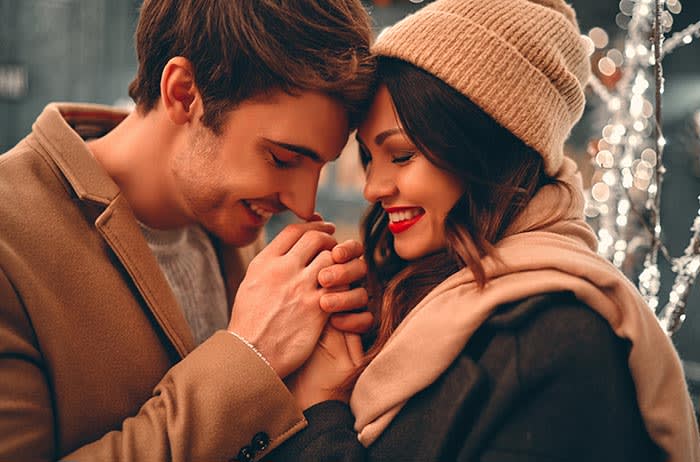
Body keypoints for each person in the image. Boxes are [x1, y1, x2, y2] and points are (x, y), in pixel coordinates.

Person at [270, 0, 700, 461]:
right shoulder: (406, 291)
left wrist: (321, 413)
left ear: (482, 150)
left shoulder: (561, 344)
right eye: (368, 159)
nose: (374, 188)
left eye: (400, 155)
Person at [0, 0, 376, 460]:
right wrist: (250, 357)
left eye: (321, 166)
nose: (304, 204)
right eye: (281, 159)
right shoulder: (10, 235)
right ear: (183, 93)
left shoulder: (232, 225)